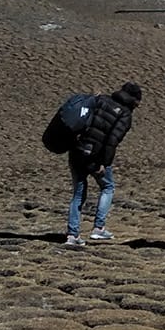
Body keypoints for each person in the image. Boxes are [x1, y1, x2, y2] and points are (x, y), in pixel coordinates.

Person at [64, 81, 141, 249]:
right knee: (108, 187)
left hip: (76, 150)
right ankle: (99, 227)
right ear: (134, 100)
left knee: (78, 194)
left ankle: (72, 234)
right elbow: (112, 142)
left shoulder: (100, 100)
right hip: (95, 156)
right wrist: (103, 164)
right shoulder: (125, 115)